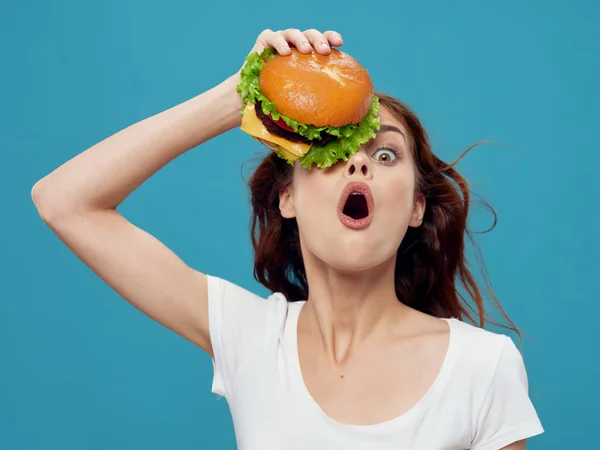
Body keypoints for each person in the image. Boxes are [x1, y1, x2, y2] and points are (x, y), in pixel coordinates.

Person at [31, 28, 544, 449]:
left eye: (386, 154)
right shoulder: (251, 336)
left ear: (415, 207)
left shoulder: (483, 366)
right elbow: (64, 201)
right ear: (287, 198)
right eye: (330, 148)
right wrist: (243, 94)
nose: (359, 160)